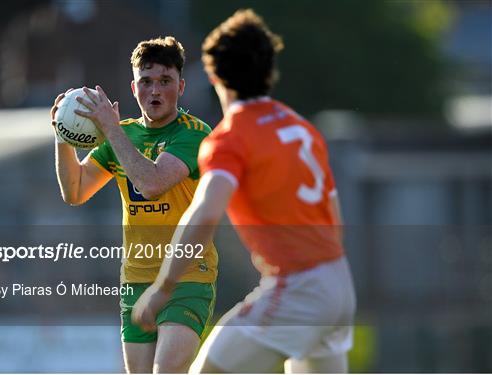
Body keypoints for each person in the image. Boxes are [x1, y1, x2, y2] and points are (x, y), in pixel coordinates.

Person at [132, 10, 356, 373]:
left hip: (298, 290)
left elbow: (205, 214)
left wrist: (163, 287)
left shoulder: (229, 139)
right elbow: (333, 214)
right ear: (270, 73)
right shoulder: (300, 127)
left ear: (214, 75)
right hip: (339, 282)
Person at [50, 36, 218, 373]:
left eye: (165, 81)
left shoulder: (194, 134)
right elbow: (75, 191)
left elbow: (152, 183)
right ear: (133, 87)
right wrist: (63, 138)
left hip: (188, 278)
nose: (155, 91)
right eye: (146, 82)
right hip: (136, 280)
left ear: (181, 87)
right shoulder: (121, 135)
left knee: (165, 371)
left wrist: (112, 130)